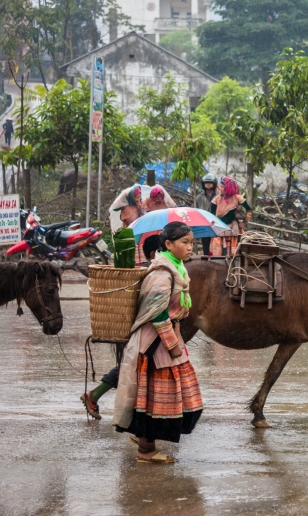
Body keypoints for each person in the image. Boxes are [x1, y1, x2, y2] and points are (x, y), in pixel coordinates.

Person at [112, 222, 202, 464]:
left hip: (166, 339)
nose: (190, 247)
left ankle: (145, 441)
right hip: (155, 343)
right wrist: (173, 344)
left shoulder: (176, 269)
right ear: (168, 245)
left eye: (191, 242)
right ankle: (145, 450)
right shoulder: (162, 273)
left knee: (156, 398)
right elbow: (158, 313)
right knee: (153, 398)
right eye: (184, 242)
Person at [81, 235, 163, 420]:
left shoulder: (149, 272)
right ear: (154, 253)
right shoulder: (150, 274)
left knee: (134, 367)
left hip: (141, 328)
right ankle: (95, 396)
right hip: (144, 330)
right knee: (135, 367)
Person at [210, 176, 252, 256]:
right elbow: (212, 215)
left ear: (228, 188)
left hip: (234, 229)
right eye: (220, 186)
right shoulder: (216, 199)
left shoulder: (237, 198)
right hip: (219, 228)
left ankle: (234, 267)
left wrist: (244, 221)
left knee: (234, 255)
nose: (219, 188)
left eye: (222, 187)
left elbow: (249, 209)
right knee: (217, 256)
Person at [195, 174, 218, 255]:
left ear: (214, 184)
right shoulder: (199, 197)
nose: (208, 184)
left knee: (216, 243)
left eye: (210, 183)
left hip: (215, 223)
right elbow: (196, 211)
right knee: (205, 244)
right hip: (204, 223)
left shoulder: (218, 196)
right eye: (206, 183)